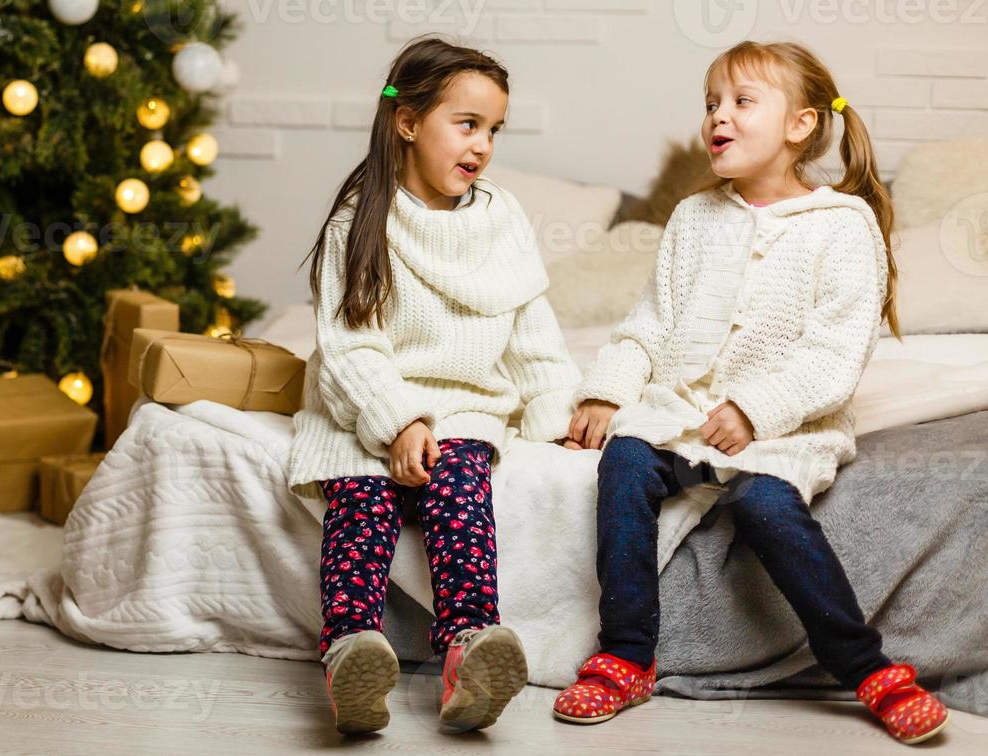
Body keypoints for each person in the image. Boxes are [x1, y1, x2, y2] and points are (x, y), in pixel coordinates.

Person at [555, 40, 949, 746]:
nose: (718, 117)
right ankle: (625, 656)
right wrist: (606, 393)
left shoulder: (843, 227)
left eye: (741, 102)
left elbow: (834, 355)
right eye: (711, 103)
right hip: (682, 413)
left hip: (785, 427)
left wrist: (754, 409)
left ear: (800, 126)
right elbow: (651, 321)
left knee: (763, 500)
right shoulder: (693, 216)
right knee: (623, 463)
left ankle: (866, 668)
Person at [289, 37, 580, 734]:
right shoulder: (358, 222)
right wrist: (395, 422)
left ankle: (469, 648)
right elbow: (350, 346)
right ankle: (352, 650)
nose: (482, 145)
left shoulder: (500, 218)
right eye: (467, 123)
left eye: (493, 130)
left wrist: (556, 412)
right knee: (360, 497)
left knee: (460, 494)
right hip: (369, 404)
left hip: (462, 409)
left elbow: (531, 331)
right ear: (408, 122)